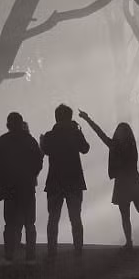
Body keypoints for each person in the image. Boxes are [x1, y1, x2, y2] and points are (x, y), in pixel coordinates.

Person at [78, 110, 139, 248]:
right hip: (133, 181)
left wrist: (87, 119)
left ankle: (130, 241)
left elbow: (100, 133)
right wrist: (87, 119)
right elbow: (100, 133)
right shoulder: (131, 147)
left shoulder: (115, 146)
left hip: (123, 183)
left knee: (127, 213)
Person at [40, 104, 90, 257]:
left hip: (55, 181)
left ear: (56, 117)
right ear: (70, 117)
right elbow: (85, 148)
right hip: (74, 181)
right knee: (75, 217)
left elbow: (45, 150)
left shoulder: (50, 135)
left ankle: (52, 250)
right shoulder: (75, 133)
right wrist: (79, 131)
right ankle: (78, 248)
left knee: (53, 218)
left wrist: (42, 141)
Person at [0, 112, 43, 262]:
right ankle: (30, 256)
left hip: (9, 187)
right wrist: (30, 175)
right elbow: (38, 163)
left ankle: (9, 255)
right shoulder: (30, 140)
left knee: (9, 223)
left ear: (8, 124)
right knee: (30, 223)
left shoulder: (3, 141)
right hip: (27, 186)